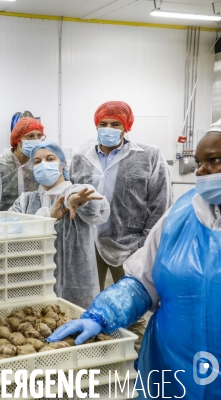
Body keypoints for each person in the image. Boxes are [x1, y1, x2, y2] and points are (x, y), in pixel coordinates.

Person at [48, 125, 221, 398]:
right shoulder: (183, 215)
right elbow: (142, 282)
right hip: (172, 368)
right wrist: (101, 315)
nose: (201, 171)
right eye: (199, 163)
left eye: (214, 161)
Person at [69, 101, 171, 350]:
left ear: (126, 127)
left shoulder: (148, 155)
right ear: (96, 125)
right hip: (88, 244)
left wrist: (144, 244)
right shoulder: (81, 158)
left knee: (131, 308)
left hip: (129, 245)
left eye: (115, 124)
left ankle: (135, 359)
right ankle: (92, 354)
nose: (108, 128)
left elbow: (161, 203)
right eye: (103, 124)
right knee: (84, 302)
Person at [9, 142, 109, 309]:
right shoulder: (25, 200)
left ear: (62, 164)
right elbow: (11, 231)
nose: (43, 164)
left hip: (76, 290)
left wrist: (76, 200)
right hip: (34, 287)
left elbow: (98, 210)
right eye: (37, 161)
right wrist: (47, 217)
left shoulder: (76, 190)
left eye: (50, 159)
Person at [0, 117, 42, 211]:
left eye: (39, 136)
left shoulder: (39, 165)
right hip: (4, 221)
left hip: (33, 220)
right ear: (18, 139)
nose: (36, 140)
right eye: (31, 136)